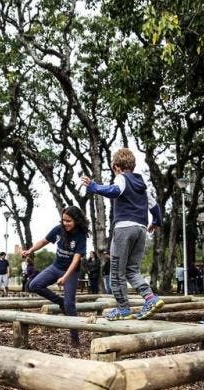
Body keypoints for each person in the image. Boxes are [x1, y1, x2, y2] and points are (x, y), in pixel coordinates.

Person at [82, 147, 163, 320]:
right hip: (141, 229)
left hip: (124, 228)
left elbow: (115, 190)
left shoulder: (121, 177)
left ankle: (123, 308)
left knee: (116, 272)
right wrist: (156, 221)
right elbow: (155, 207)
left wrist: (94, 186)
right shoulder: (142, 185)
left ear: (116, 167)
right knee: (132, 270)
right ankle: (151, 298)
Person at [22, 205, 88, 345]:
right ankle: (60, 302)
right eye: (64, 220)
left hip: (71, 272)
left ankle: (75, 338)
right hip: (55, 267)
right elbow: (43, 241)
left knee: (70, 304)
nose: (65, 223)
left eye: (69, 221)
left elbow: (76, 259)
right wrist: (30, 250)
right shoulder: (58, 230)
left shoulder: (80, 235)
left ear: (76, 220)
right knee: (34, 285)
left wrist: (65, 277)